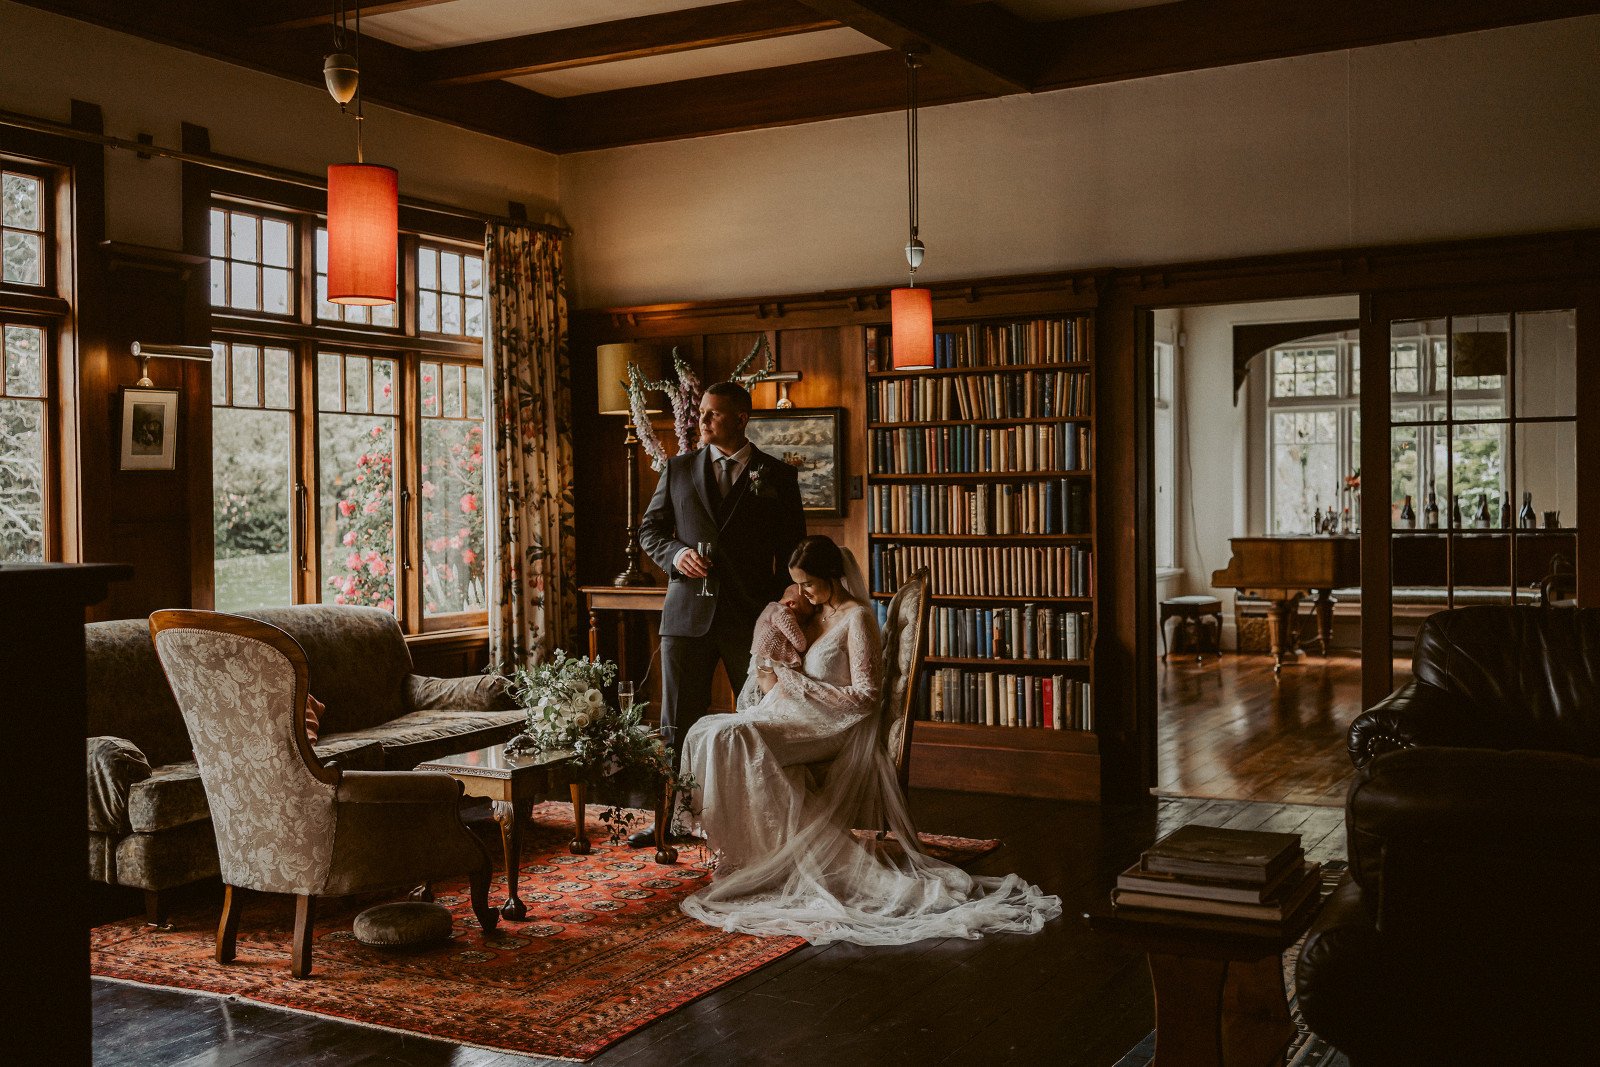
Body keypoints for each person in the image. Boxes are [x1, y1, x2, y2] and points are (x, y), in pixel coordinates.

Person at [677, 535, 1062, 946]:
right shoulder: (815, 614)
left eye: (809, 584)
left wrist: (797, 683)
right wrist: (775, 673)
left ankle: (773, 861)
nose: (802, 593)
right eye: (798, 584)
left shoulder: (856, 618)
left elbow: (865, 696)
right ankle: (752, 855)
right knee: (710, 729)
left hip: (828, 726)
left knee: (736, 735)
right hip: (791, 713)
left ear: (833, 576)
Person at [635, 379, 806, 847]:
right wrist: (675, 555)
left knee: (760, 719)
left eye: (712, 414)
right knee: (675, 723)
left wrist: (787, 600)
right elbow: (650, 531)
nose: (701, 421)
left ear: (742, 418)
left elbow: (794, 553)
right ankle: (669, 819)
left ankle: (760, 825)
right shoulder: (678, 469)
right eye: (702, 413)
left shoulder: (777, 477)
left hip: (752, 620)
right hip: (686, 616)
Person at [747, 583, 814, 682]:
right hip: (774, 654)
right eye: (801, 616)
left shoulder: (769, 608)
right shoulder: (783, 612)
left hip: (759, 654)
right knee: (794, 681)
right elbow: (799, 643)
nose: (800, 623)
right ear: (791, 604)